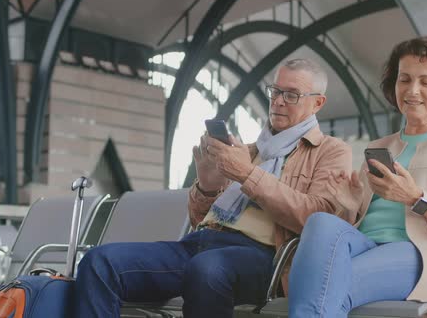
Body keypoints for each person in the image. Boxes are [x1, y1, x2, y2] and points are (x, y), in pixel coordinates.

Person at [73, 58, 352, 317]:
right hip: (201, 243)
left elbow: (318, 219)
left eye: (291, 95)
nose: (278, 101)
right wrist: (207, 184)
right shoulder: (249, 150)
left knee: (207, 269)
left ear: (317, 103)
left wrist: (247, 174)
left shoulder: (330, 151)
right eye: (275, 91)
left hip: (265, 256)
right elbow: (198, 220)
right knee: (99, 262)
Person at [288, 37, 427, 317]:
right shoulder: (380, 147)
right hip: (366, 245)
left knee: (324, 283)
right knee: (320, 223)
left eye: (426, 82)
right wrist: (351, 205)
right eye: (404, 79)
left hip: (425, 254)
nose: (412, 90)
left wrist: (416, 198)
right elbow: (360, 224)